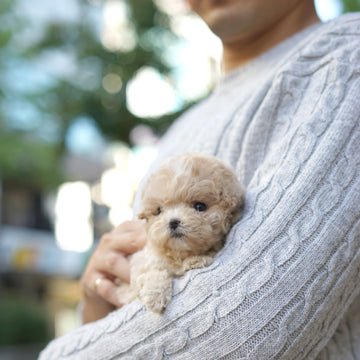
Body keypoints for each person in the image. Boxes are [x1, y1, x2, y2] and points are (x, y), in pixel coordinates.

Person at [40, 0, 360, 358]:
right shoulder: (182, 128)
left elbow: (244, 325)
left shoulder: (348, 58)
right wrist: (97, 302)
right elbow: (137, 312)